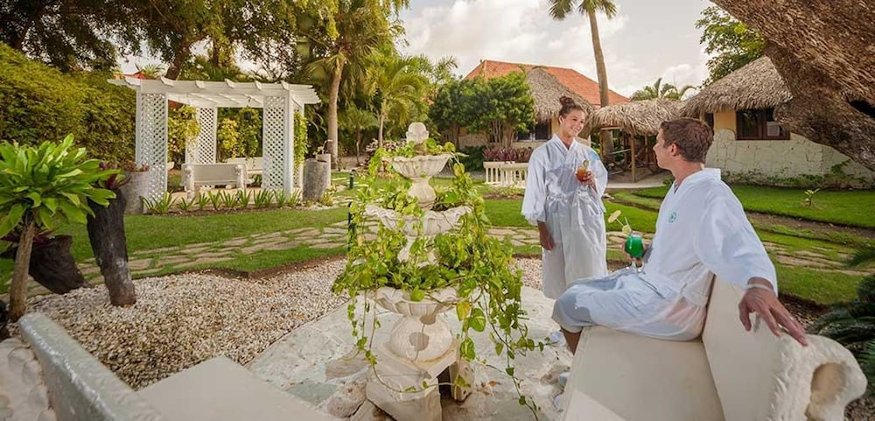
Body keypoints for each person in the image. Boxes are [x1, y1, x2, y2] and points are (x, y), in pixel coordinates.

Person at [552, 118, 808, 356]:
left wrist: (760, 286)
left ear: (673, 149)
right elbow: (682, 246)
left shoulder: (713, 194)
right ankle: (585, 368)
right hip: (652, 287)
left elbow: (741, 243)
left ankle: (581, 376)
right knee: (576, 288)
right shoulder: (681, 186)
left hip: (670, 308)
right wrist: (647, 251)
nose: (654, 147)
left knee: (567, 304)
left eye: (658, 142)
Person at [522, 96, 608, 344]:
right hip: (557, 219)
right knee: (560, 271)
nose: (578, 125)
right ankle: (565, 327)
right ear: (561, 119)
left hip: (586, 217)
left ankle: (589, 321)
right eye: (573, 119)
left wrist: (591, 180)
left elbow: (601, 181)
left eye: (581, 122)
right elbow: (536, 192)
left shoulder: (588, 153)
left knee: (589, 265)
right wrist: (542, 229)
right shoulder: (542, 154)